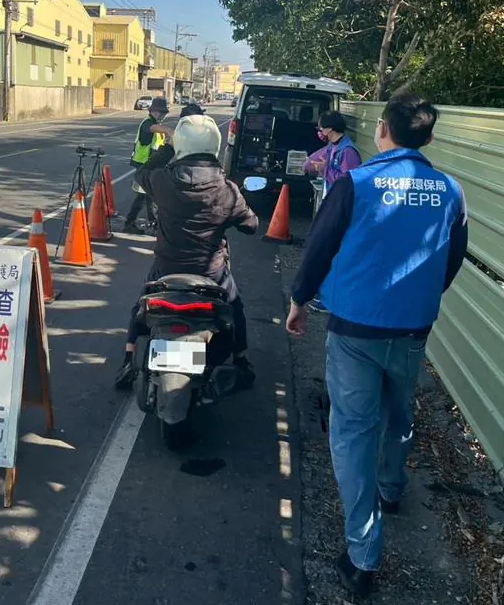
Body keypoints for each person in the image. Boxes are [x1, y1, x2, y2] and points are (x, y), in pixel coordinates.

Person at [285, 94, 468, 599]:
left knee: (353, 431)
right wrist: (420, 298)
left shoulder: (356, 183)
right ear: (429, 138)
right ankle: (392, 488)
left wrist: (299, 301)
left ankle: (362, 555)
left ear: (382, 130)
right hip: (413, 329)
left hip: (355, 330)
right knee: (399, 410)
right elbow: (453, 257)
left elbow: (319, 248)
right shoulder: (451, 191)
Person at [114, 112, 259, 389]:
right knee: (235, 308)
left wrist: (168, 147)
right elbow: (251, 226)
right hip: (212, 275)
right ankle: (241, 360)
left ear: (181, 147)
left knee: (139, 306)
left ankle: (128, 360)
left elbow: (142, 172)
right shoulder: (227, 190)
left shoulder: (162, 181)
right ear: (214, 147)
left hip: (166, 269)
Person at [300, 110, 362, 313]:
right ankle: (324, 294)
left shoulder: (348, 152)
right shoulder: (333, 147)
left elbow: (348, 183)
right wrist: (313, 166)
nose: (319, 132)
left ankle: (330, 299)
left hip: (340, 210)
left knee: (333, 254)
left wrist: (324, 169)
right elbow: (309, 163)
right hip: (332, 206)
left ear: (329, 129)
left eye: (320, 128)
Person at [123, 96, 174, 235]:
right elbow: (152, 128)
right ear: (153, 111)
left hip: (152, 166)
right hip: (143, 166)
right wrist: (169, 131)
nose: (163, 116)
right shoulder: (148, 123)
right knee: (143, 196)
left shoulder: (157, 127)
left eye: (164, 113)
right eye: (161, 112)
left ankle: (152, 224)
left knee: (150, 196)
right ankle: (131, 223)